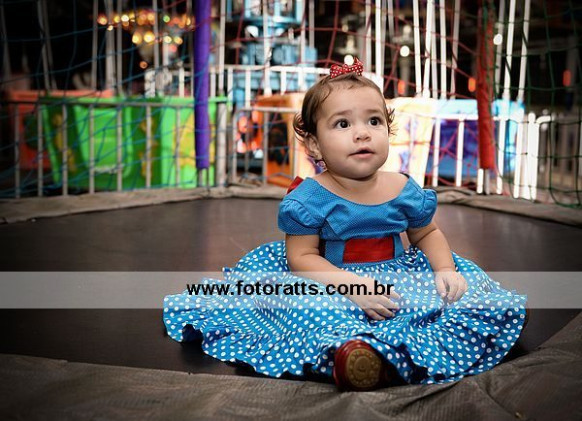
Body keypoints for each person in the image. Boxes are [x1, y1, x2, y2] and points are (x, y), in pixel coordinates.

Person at [163, 59, 527, 391]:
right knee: (310, 311)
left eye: (374, 121)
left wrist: (444, 269)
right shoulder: (310, 198)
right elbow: (301, 258)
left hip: (399, 275)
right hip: (330, 277)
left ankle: (422, 343)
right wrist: (353, 286)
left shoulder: (403, 188)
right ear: (314, 144)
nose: (362, 133)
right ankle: (354, 354)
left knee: (457, 295)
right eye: (343, 124)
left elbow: (427, 233)